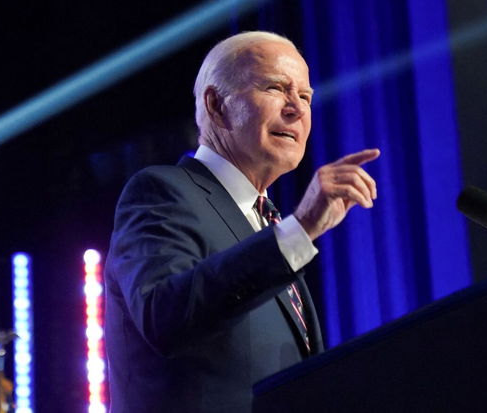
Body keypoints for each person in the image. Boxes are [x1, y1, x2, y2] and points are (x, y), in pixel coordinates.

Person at [104, 31, 379, 412]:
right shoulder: (161, 192)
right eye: (275, 88)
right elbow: (163, 316)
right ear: (216, 105)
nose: (296, 109)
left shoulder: (267, 223)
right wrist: (299, 230)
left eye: (305, 96)